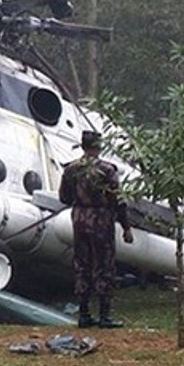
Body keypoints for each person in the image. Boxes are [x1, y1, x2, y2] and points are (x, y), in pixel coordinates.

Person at [59, 130, 133, 329]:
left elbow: (64, 198)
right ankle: (104, 315)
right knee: (104, 266)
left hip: (80, 220)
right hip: (101, 220)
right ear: (99, 146)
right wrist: (126, 227)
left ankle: (84, 314)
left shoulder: (71, 169)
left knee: (82, 265)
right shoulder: (107, 170)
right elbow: (118, 200)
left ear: (83, 146)